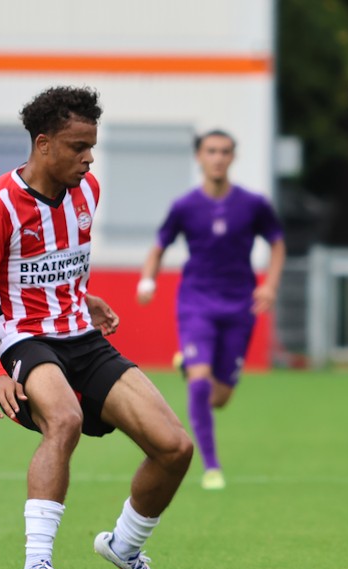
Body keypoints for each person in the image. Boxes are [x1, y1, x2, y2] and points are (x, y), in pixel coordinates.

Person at [0, 86, 193, 569]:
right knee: (64, 420)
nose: (88, 159)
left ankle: (125, 547)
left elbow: (56, 265)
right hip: (24, 340)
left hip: (80, 337)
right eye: (78, 147)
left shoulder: (88, 192)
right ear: (43, 145)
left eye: (92, 147)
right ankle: (37, 565)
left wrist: (86, 298)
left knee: (175, 447)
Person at [137, 129, 285, 490]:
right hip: (196, 302)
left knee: (220, 398)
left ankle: (187, 365)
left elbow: (278, 242)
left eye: (224, 151)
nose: (217, 157)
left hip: (239, 305)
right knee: (201, 386)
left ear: (232, 157)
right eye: (211, 151)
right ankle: (211, 466)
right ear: (199, 157)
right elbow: (159, 246)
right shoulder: (185, 206)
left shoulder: (252, 204)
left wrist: (269, 285)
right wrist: (147, 280)